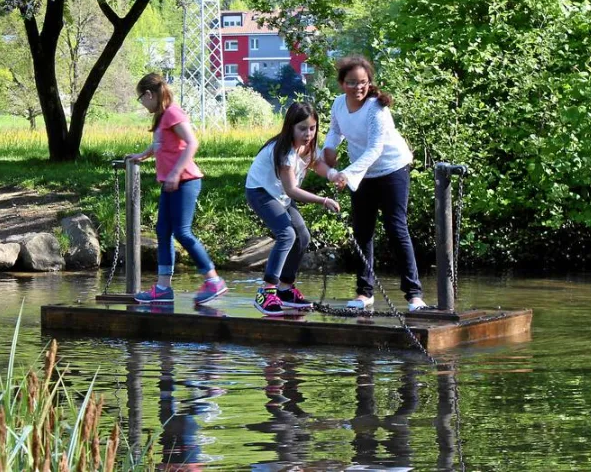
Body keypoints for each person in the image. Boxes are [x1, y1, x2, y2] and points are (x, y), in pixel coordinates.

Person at [322, 56, 428, 312]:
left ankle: (414, 296)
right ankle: (364, 293)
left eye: (363, 83)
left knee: (396, 228)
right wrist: (329, 148)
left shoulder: (375, 108)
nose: (358, 88)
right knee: (362, 231)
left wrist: (345, 173)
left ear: (369, 83)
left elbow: (374, 149)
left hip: (392, 168)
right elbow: (335, 130)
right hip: (364, 173)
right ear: (341, 84)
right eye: (351, 83)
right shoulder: (338, 104)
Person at [126, 73, 227, 306]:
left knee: (182, 232)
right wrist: (144, 154)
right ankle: (163, 288)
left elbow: (192, 142)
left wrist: (174, 173)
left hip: (185, 182)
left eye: (141, 98)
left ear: (149, 94)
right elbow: (161, 143)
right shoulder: (163, 117)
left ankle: (213, 280)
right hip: (171, 183)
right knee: (163, 231)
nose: (142, 103)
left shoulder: (173, 112)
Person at [246, 102, 341, 316]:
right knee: (286, 234)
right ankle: (267, 291)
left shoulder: (308, 147)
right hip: (260, 192)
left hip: (278, 194)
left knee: (303, 236)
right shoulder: (285, 152)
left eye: (312, 128)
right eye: (302, 129)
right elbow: (292, 191)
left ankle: (285, 289)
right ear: (290, 127)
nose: (308, 134)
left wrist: (334, 175)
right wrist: (323, 200)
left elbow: (318, 165)